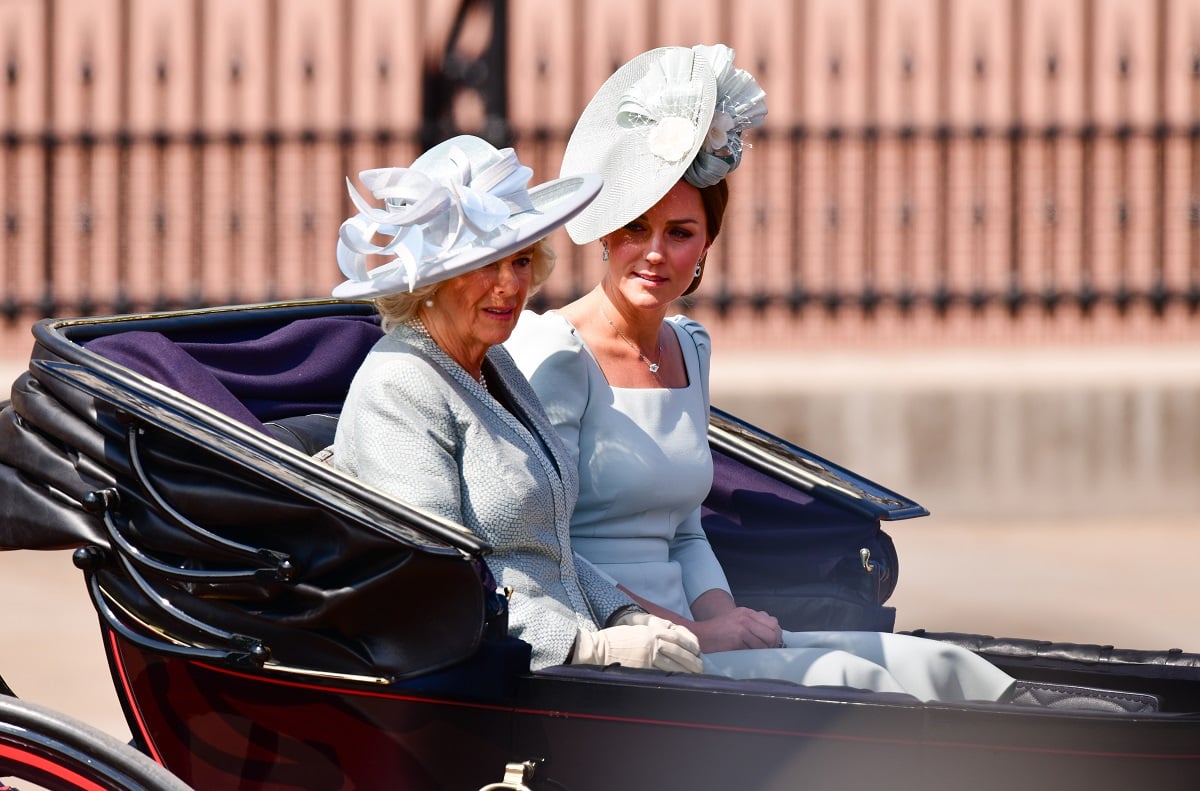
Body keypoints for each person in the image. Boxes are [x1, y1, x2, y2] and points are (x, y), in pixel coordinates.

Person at [505, 45, 1015, 701]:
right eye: (636, 228)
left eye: (680, 231)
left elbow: (687, 531)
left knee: (934, 665)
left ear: (706, 246)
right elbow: (544, 551)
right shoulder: (555, 352)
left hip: (696, 633)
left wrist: (720, 616)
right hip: (613, 645)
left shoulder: (689, 348)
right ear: (606, 234)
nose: (654, 252)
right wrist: (691, 631)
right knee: (850, 684)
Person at [327, 134, 703, 675]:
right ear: (430, 279)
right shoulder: (399, 384)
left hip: (558, 664)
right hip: (486, 683)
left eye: (521, 261)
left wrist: (625, 615)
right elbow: (437, 576)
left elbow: (550, 550)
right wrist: (585, 648)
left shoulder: (495, 365)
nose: (509, 286)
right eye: (485, 263)